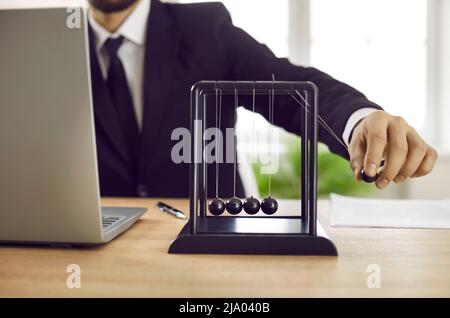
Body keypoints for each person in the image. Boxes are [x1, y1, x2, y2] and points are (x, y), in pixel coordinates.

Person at [87, 0, 437, 198]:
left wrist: (357, 121)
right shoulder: (43, 46)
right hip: (91, 260)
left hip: (210, 254)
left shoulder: (205, 29)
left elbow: (289, 88)